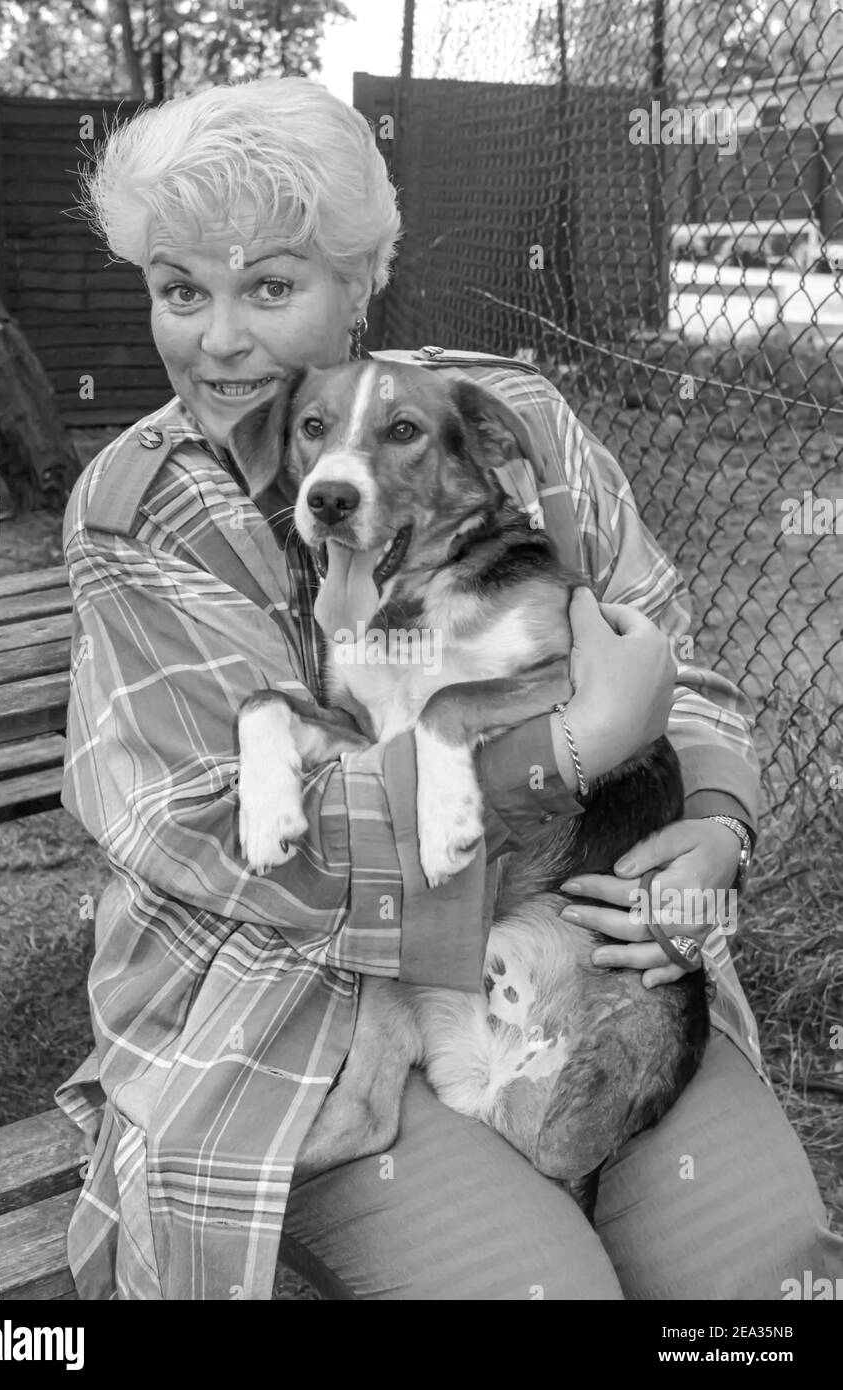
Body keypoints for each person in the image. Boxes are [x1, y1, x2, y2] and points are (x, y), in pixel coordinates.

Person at [56, 77, 842, 1300]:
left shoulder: (517, 415)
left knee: (762, 1272)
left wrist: (718, 830)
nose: (217, 337)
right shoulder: (135, 513)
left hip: (574, 954)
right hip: (293, 993)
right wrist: (565, 748)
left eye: (270, 284)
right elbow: (234, 842)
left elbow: (677, 671)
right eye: (179, 290)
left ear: (361, 280)